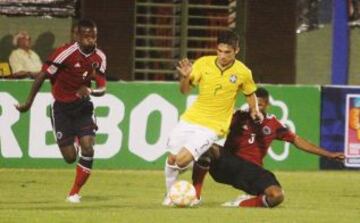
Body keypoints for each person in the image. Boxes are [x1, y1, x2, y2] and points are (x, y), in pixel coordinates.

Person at [191, 87, 345, 208]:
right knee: (208, 147)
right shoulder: (238, 116)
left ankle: (241, 204)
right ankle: (195, 196)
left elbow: (297, 140)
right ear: (249, 102)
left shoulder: (273, 124)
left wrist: (328, 154)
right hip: (228, 165)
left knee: (277, 196)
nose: (257, 107)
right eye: (254, 103)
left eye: (261, 104)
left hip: (252, 171)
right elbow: (210, 126)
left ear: (267, 104)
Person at [162, 30, 264, 206]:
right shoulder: (203, 63)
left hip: (214, 127)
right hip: (191, 119)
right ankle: (171, 195)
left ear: (236, 50)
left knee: (181, 160)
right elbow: (184, 91)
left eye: (227, 52)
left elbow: (250, 92)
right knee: (172, 159)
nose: (222, 56)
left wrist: (254, 109)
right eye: (220, 51)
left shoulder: (243, 72)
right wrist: (184, 78)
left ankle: (188, 182)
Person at [15, 19, 107, 203]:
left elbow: (103, 87)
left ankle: (74, 193)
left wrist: (89, 90)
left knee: (88, 147)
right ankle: (74, 138)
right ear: (77, 36)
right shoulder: (64, 53)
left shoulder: (100, 57)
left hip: (83, 108)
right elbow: (42, 75)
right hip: (61, 109)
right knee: (70, 157)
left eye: (93, 36)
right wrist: (27, 103)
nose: (90, 40)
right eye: (86, 36)